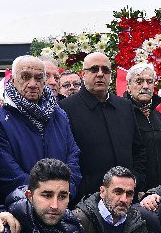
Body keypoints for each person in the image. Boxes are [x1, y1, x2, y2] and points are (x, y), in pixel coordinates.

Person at [0, 55, 81, 202]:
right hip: (20, 208)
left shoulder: (59, 114)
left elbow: (72, 155)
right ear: (12, 80)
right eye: (25, 77)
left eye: (38, 78)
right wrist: (43, 197)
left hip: (61, 204)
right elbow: (7, 170)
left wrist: (67, 190)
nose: (32, 84)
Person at [59, 52, 147, 199]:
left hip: (126, 198)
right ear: (83, 74)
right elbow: (63, 157)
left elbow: (138, 150)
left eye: (105, 70)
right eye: (94, 69)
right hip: (87, 200)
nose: (100, 74)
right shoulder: (65, 108)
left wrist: (136, 180)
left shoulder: (124, 106)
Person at [124, 62, 161, 191]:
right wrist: (136, 188)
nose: (145, 86)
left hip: (160, 192)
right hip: (134, 192)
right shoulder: (122, 114)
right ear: (128, 86)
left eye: (149, 81)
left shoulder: (157, 116)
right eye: (139, 81)